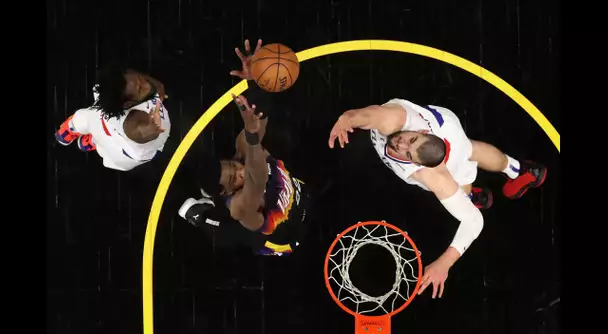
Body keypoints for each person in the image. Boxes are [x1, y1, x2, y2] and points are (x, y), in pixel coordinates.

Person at [328, 98, 547, 299]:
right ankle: (496, 181)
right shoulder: (396, 122)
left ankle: (518, 172)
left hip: (452, 145)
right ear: (420, 130)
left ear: (418, 165)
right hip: (444, 127)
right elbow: (370, 115)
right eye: (411, 138)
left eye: (408, 153)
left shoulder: (434, 176)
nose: (401, 144)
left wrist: (445, 263)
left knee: (467, 161)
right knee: (467, 160)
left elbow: (474, 221)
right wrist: (349, 118)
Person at [179, 39, 312, 256]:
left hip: (301, 197)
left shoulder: (242, 148)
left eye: (232, 166)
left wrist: (256, 80)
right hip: (288, 239)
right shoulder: (239, 205)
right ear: (226, 191)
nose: (239, 171)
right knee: (226, 231)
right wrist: (251, 135)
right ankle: (202, 216)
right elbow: (256, 177)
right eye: (234, 179)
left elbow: (262, 117)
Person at [54, 65, 171, 171]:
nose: (147, 85)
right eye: (141, 89)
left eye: (141, 80)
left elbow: (133, 74)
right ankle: (71, 127)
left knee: (107, 157)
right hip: (105, 125)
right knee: (85, 118)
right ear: (128, 104)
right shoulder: (131, 121)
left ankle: (96, 140)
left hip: (124, 154)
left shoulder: (135, 89)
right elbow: (138, 131)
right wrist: (149, 129)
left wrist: (156, 85)